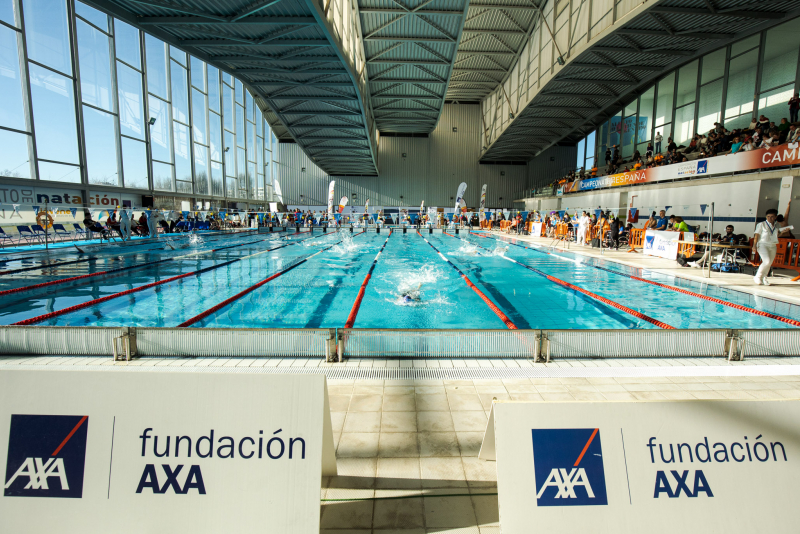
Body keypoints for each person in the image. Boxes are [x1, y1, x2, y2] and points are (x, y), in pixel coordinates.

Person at [752, 208, 791, 285]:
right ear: (766, 217)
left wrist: (782, 232)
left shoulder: (775, 226)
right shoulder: (761, 224)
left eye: (772, 216)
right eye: (768, 216)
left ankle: (764, 278)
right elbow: (756, 235)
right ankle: (758, 276)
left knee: (769, 263)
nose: (770, 218)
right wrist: (754, 245)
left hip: (772, 245)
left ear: (775, 217)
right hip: (762, 244)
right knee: (766, 261)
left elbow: (776, 236)